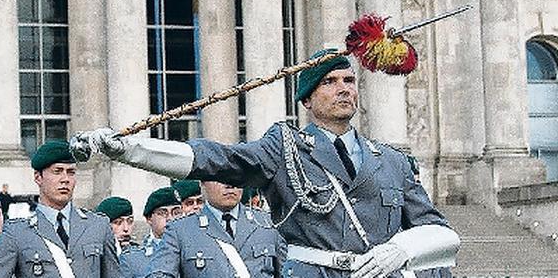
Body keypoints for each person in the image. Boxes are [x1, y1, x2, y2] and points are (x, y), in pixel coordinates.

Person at [74, 49, 461, 278]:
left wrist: (403, 249)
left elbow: (442, 233)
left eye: (349, 80)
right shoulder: (285, 148)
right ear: (306, 100)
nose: (344, 88)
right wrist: (127, 150)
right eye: (329, 82)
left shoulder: (390, 161)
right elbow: (215, 159)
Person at [0, 140, 120, 278]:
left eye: (71, 172)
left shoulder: (98, 225)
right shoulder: (16, 233)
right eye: (57, 171)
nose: (65, 179)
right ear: (38, 177)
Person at [149, 181, 286, 277]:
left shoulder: (268, 224)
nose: (230, 185)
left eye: (236, 177)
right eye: (220, 177)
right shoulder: (180, 230)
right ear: (203, 183)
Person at [119, 187, 182, 278]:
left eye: (176, 212)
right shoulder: (132, 259)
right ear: (149, 218)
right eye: (162, 213)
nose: (170, 218)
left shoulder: (194, 250)